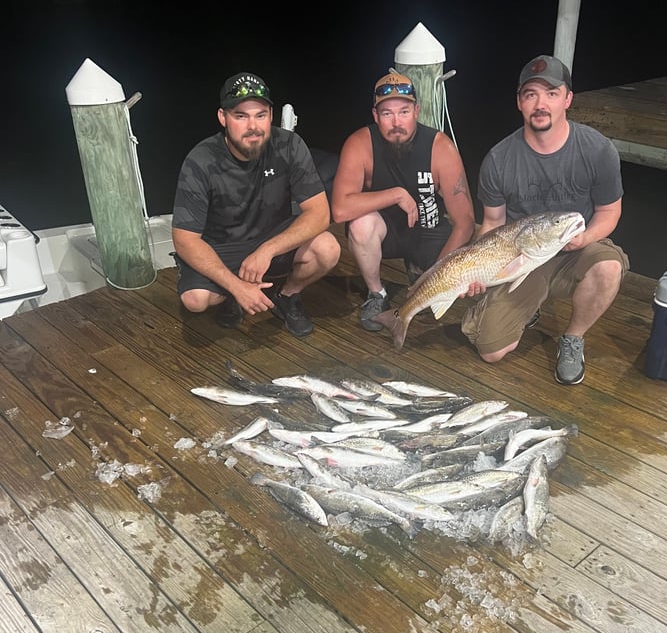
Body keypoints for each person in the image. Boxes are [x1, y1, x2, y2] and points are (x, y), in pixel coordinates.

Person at [460, 54, 629, 385]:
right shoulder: (498, 159)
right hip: (521, 256)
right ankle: (520, 306)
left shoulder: (597, 150)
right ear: (519, 103)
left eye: (552, 94)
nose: (541, 104)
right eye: (531, 94)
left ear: (568, 99)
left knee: (608, 268)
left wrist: (584, 238)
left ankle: (573, 338)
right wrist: (477, 269)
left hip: (574, 248)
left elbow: (610, 212)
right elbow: (492, 223)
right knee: (491, 351)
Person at [172, 71, 340, 337]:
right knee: (195, 300)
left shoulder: (289, 145)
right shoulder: (201, 160)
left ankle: (286, 295)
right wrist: (236, 287)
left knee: (328, 249)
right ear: (223, 118)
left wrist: (267, 250)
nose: (253, 126)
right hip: (222, 245)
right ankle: (232, 297)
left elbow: (320, 213)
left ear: (271, 116)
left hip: (270, 236)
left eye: (260, 115)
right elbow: (184, 239)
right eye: (241, 116)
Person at [331, 70, 476, 330]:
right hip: (386, 233)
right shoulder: (359, 143)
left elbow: (465, 221)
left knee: (446, 287)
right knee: (359, 225)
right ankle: (377, 294)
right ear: (376, 115)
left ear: (417, 111)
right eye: (387, 113)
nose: (396, 121)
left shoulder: (440, 147)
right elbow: (340, 210)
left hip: (429, 231)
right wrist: (396, 194)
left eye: (404, 112)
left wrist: (437, 277)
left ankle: (420, 268)